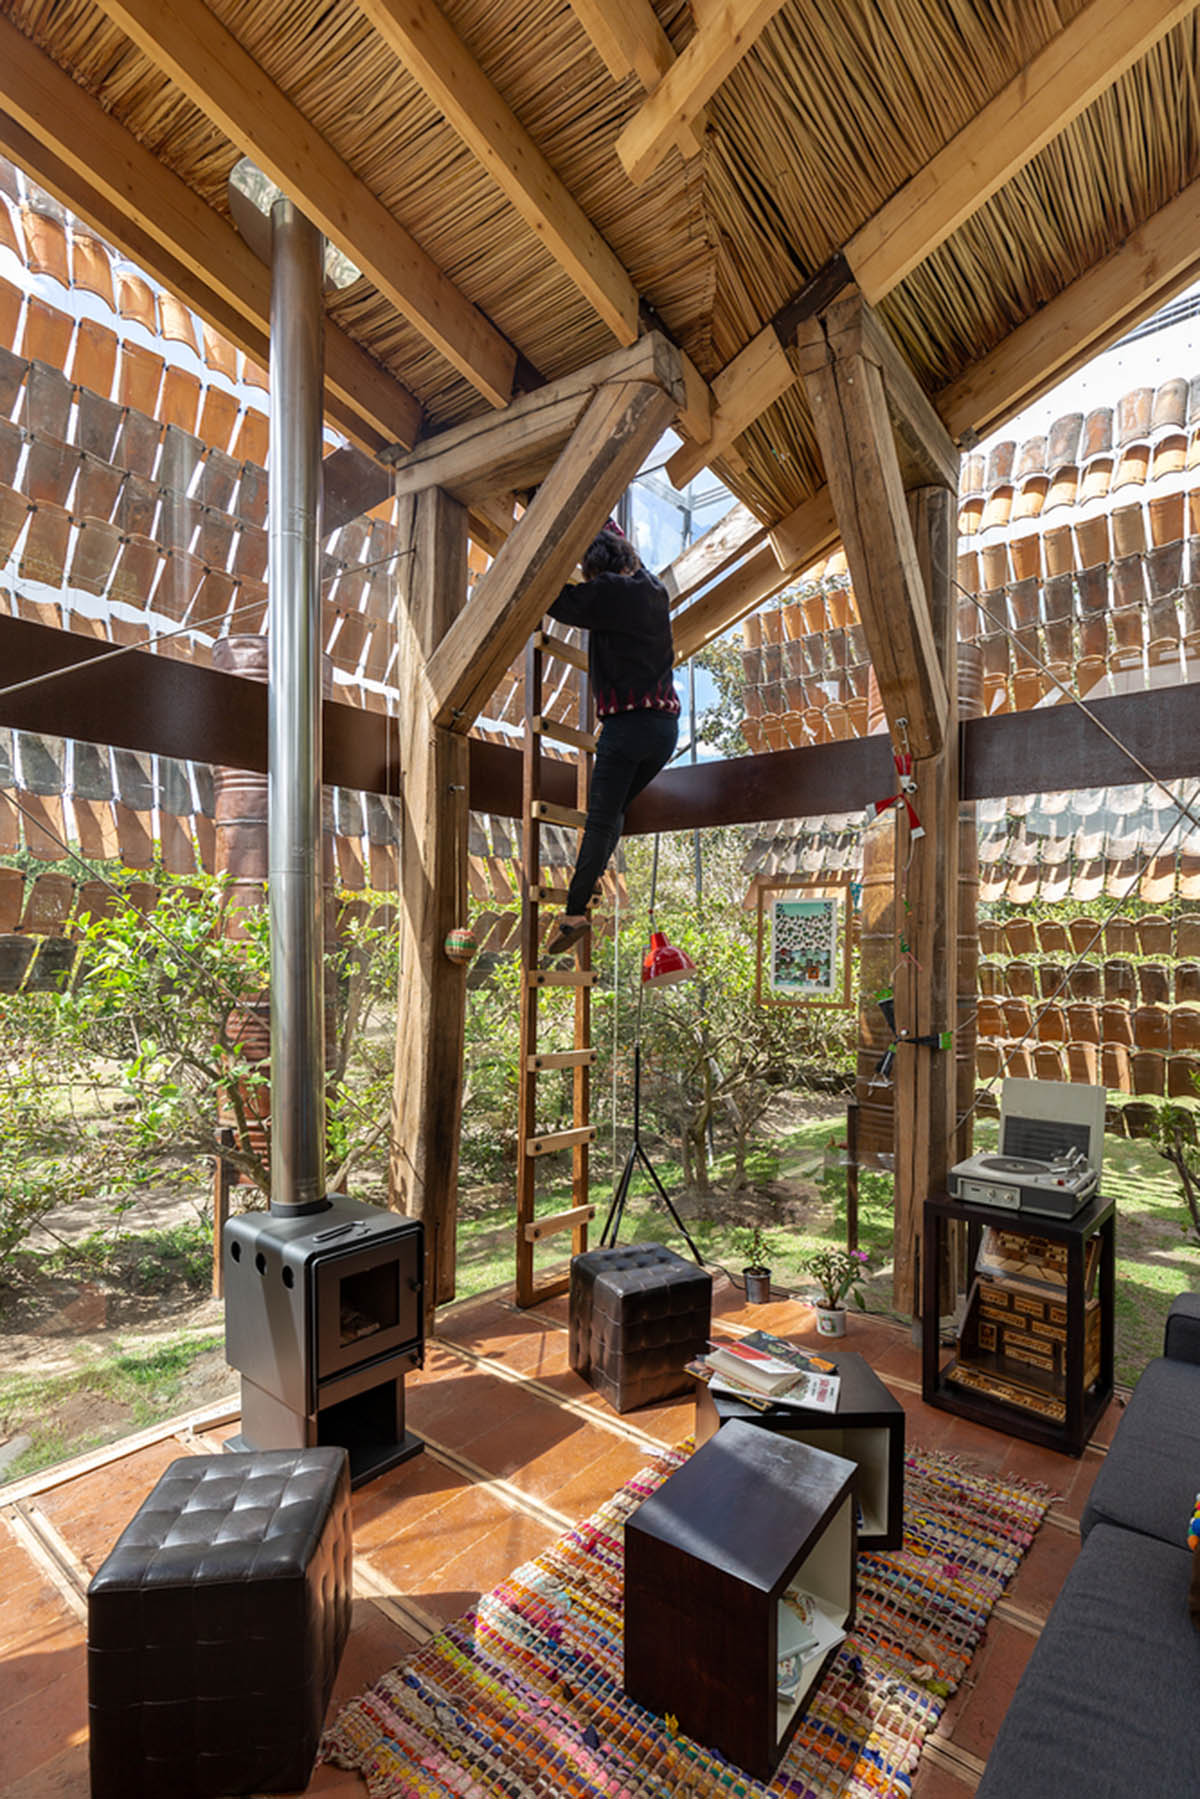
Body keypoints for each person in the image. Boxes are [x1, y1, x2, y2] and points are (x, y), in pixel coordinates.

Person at [542, 521, 679, 956]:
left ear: (596, 571)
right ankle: (591, 880)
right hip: (663, 731)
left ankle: (575, 910)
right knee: (614, 810)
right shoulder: (655, 589)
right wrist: (598, 523)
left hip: (627, 727)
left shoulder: (604, 593)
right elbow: (614, 537)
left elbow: (553, 600)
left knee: (601, 819)